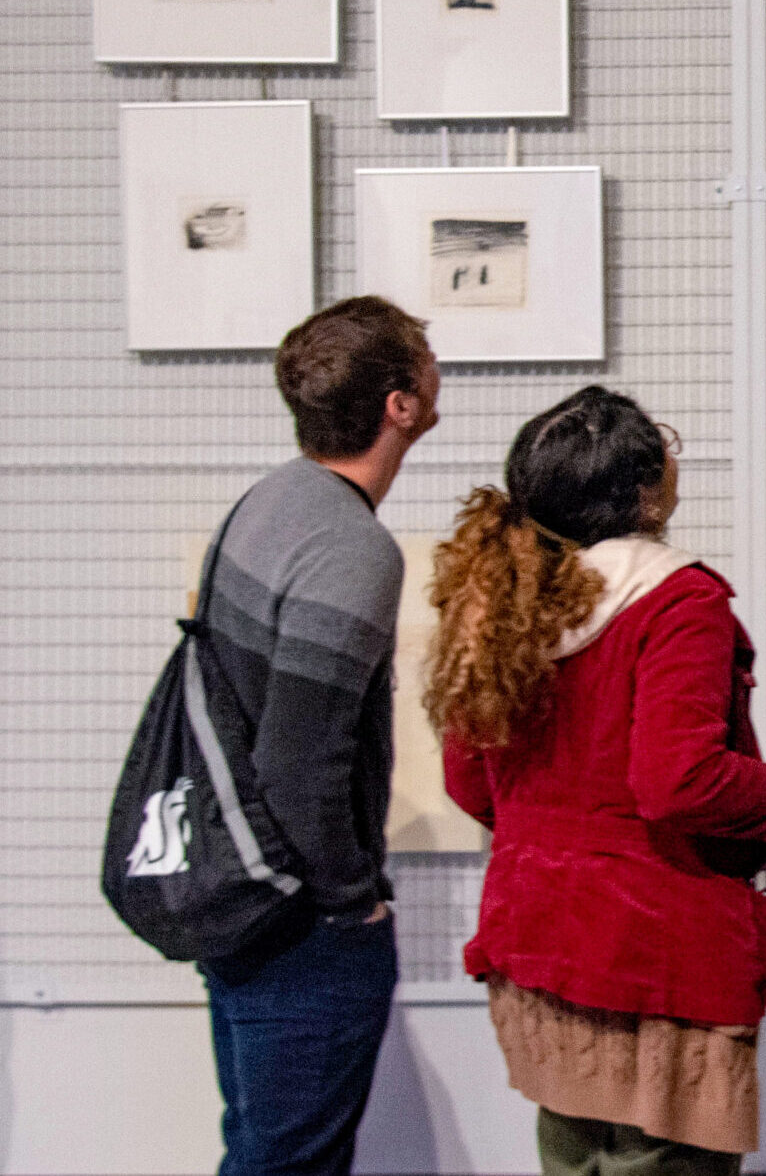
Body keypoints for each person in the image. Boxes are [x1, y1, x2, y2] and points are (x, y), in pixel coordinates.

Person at [428, 385, 766, 1176]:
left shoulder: (516, 598)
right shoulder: (680, 600)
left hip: (541, 939)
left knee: (573, 1155)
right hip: (660, 951)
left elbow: (470, 778)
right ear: (646, 491)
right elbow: (677, 779)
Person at [193, 295, 439, 1176]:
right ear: (398, 405)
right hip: (303, 926)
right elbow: (301, 762)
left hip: (238, 901)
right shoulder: (352, 545)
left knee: (257, 1149)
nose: (435, 368)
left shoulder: (269, 499)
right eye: (422, 357)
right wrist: (351, 902)